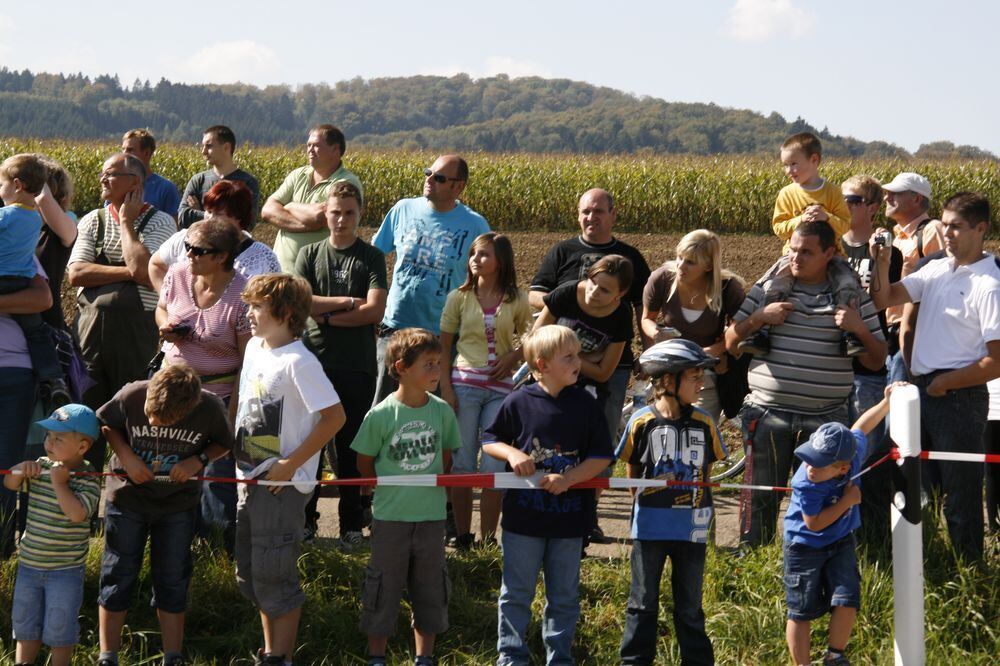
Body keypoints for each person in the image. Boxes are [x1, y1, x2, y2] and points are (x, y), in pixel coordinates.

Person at [725, 221, 886, 547]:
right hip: (767, 413)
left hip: (826, 421)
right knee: (759, 498)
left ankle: (811, 565)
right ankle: (751, 562)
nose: (797, 258)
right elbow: (730, 342)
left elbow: (877, 359)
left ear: (829, 253)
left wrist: (860, 329)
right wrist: (759, 318)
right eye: (793, 250)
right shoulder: (768, 288)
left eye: (807, 252)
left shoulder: (852, 298)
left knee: (821, 499)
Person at [868, 191, 1000, 562]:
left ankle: (968, 572)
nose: (949, 235)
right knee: (891, 473)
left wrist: (946, 383)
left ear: (981, 229)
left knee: (960, 492)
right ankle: (902, 560)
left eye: (957, 227)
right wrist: (881, 262)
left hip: (958, 397)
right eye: (945, 226)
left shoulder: (989, 285)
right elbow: (884, 299)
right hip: (922, 390)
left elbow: (996, 361)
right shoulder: (937, 268)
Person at [483, 325, 613, 666]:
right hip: (522, 522)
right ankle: (511, 656)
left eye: (578, 355)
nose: (578, 362)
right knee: (516, 593)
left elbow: (601, 457)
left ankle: (560, 657)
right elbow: (489, 439)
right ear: (542, 365)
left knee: (565, 596)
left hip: (570, 523)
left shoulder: (586, 404)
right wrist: (512, 454)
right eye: (568, 357)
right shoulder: (518, 401)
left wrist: (569, 478)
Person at [233, 273, 346, 666]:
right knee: (252, 575)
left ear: (283, 312)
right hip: (247, 479)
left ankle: (280, 657)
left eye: (256, 306)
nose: (248, 313)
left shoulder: (301, 361)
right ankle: (270, 652)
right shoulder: (253, 348)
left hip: (281, 485)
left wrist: (289, 466)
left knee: (275, 574)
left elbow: (334, 417)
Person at [95, 364, 233, 666]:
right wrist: (127, 456)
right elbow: (106, 423)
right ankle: (108, 656)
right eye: (150, 415)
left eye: (166, 420)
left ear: (191, 407)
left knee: (172, 578)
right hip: (128, 499)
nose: (155, 423)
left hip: (178, 505)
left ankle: (173, 656)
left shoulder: (209, 406)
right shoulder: (131, 394)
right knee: (118, 572)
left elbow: (224, 443)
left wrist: (198, 460)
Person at [350, 328, 461, 666]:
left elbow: (446, 457)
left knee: (430, 588)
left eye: (439, 364)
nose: (436, 371)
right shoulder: (381, 415)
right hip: (390, 519)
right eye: (428, 364)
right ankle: (377, 656)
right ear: (401, 367)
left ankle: (424, 657)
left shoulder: (442, 411)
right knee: (382, 587)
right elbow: (364, 462)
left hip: (430, 519)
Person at [617, 339, 725, 666]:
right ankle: (635, 661)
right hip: (649, 528)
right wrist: (645, 502)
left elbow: (706, 473)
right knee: (642, 603)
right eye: (694, 377)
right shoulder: (641, 422)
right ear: (667, 381)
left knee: (690, 606)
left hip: (691, 530)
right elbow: (631, 469)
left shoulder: (704, 422)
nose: (702, 383)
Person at [293, 181, 387, 547]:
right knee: (310, 448)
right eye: (335, 212)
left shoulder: (371, 257)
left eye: (349, 212)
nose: (342, 219)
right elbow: (303, 305)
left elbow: (375, 310)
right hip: (315, 364)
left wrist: (328, 314)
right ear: (325, 214)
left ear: (360, 214)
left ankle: (351, 524)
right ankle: (306, 520)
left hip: (357, 367)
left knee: (350, 451)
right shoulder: (310, 254)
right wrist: (349, 302)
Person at [68, 153, 177, 468]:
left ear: (136, 183)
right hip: (88, 332)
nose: (103, 179)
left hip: (135, 334)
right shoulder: (92, 220)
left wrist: (127, 224)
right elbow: (76, 274)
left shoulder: (159, 221)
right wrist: (126, 272)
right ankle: (84, 499)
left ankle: (125, 498)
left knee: (131, 415)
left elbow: (144, 270)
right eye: (103, 173)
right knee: (85, 417)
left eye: (112, 174)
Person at [783, 384, 896, 666]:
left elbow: (862, 425)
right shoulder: (806, 482)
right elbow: (814, 522)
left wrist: (886, 402)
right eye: (809, 458)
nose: (810, 466)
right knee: (801, 610)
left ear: (844, 467)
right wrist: (847, 502)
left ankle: (835, 656)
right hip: (803, 545)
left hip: (841, 540)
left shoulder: (852, 453)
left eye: (820, 464)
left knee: (848, 597)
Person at [155, 217, 251, 551]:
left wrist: (233, 413)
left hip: (218, 396)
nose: (189, 255)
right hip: (171, 393)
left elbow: (247, 361)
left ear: (222, 257)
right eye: (187, 247)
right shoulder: (179, 274)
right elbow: (162, 307)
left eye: (198, 250)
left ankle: (218, 555)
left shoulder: (242, 296)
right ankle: (174, 545)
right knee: (170, 472)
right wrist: (166, 325)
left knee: (216, 479)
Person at [530, 188, 652, 443]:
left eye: (598, 211)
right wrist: (568, 301)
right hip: (557, 360)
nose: (591, 217)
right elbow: (535, 294)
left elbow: (644, 308)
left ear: (613, 215)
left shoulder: (631, 258)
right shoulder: (562, 252)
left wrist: (649, 353)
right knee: (554, 432)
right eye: (585, 211)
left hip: (610, 362)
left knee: (601, 436)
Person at [370, 155, 490, 405]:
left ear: (458, 187)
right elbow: (372, 257)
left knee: (427, 416)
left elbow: (488, 279)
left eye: (439, 178)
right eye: (428, 173)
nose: (429, 180)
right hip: (395, 329)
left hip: (440, 338)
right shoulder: (403, 209)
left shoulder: (475, 225)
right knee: (382, 409)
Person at [439, 232, 532, 548]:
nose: (476, 260)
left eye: (484, 255)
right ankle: (464, 536)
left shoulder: (517, 299)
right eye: (474, 255)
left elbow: (532, 338)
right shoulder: (458, 298)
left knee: (493, 466)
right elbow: (444, 346)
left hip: (500, 391)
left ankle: (490, 539)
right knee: (463, 464)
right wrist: (446, 389)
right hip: (465, 387)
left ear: (501, 261)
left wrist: (513, 356)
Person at [741, 133, 859, 357]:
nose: (789, 171)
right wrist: (800, 220)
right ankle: (762, 333)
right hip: (792, 256)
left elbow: (845, 226)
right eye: (785, 165)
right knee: (773, 286)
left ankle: (849, 335)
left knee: (847, 284)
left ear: (814, 160)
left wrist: (826, 217)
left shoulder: (832, 192)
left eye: (794, 164)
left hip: (831, 256)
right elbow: (779, 227)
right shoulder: (786, 194)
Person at [3, 404, 101, 666]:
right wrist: (20, 468)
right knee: (25, 624)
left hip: (65, 571)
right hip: (29, 566)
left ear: (82, 447)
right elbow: (9, 483)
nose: (49, 443)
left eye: (59, 438)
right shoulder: (41, 465)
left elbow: (77, 514)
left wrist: (60, 484)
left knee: (60, 628)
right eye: (48, 436)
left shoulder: (88, 477)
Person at [838, 175, 902, 553]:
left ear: (872, 207)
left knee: (867, 457)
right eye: (841, 197)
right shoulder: (828, 245)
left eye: (852, 198)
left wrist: (881, 261)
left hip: (868, 366)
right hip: (830, 367)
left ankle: (872, 539)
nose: (843, 204)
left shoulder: (881, 249)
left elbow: (880, 302)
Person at [641, 229, 746, 422]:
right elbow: (647, 318)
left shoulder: (727, 288)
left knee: (697, 426)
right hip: (670, 369)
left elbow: (739, 330)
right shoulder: (662, 279)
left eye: (690, 262)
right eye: (679, 257)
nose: (680, 266)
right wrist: (657, 334)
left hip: (704, 372)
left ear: (708, 266)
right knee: (667, 423)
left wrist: (713, 350)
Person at [0, 154, 67, 401]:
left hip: (2, 278)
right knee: (36, 332)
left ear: (17, 185)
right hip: (22, 281)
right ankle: (53, 377)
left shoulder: (6, 215)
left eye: (1, 184)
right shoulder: (34, 218)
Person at [0, 262, 53, 559]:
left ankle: (3, 553)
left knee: (5, 467)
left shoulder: (15, 246)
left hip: (13, 372)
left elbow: (42, 299)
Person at [262, 124, 364, 272]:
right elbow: (267, 210)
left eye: (316, 146)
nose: (310, 149)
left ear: (335, 149)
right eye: (308, 145)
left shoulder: (346, 182)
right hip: (280, 273)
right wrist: (306, 224)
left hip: (317, 273)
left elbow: (319, 216)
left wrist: (289, 206)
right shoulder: (298, 175)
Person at [149, 180, 281, 292]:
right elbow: (156, 265)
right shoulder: (185, 238)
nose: (209, 218)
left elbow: (274, 299)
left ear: (238, 217)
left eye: (218, 214)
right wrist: (169, 300)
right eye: (208, 211)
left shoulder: (263, 257)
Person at [881, 172, 944, 382]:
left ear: (916, 198)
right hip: (891, 334)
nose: (886, 197)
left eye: (894, 193)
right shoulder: (896, 237)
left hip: (915, 334)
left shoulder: (932, 231)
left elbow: (945, 281)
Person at [178, 125, 260, 230]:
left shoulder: (248, 182)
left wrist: (200, 214)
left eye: (209, 146)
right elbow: (182, 217)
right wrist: (207, 216)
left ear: (226, 147)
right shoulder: (198, 180)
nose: (203, 151)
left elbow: (247, 224)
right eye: (203, 146)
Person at [34, 156, 79, 331]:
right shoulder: (15, 226)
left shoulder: (65, 225)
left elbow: (44, 199)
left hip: (47, 325)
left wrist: (34, 176)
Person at [122, 129, 180, 218]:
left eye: (130, 150)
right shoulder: (118, 184)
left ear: (146, 153)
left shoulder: (165, 188)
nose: (124, 154)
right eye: (123, 149)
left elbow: (174, 225)